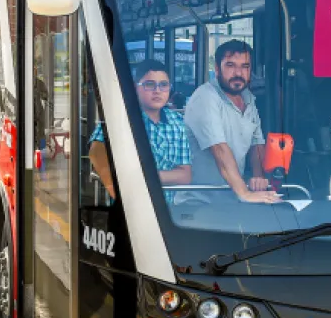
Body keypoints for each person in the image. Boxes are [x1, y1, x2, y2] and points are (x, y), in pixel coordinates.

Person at [184, 40, 280, 204]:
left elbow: (257, 145)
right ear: (217, 69)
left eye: (245, 66)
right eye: (230, 65)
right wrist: (245, 193)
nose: (238, 73)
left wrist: (259, 178)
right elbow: (219, 149)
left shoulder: (248, 98)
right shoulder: (205, 97)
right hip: (199, 202)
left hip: (231, 200)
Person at [88, 60, 191, 203]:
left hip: (165, 210)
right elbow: (97, 152)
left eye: (163, 85)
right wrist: (115, 190)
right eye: (149, 84)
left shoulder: (178, 122)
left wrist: (141, 177)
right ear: (136, 88)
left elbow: (184, 175)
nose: (157, 90)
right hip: (129, 207)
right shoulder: (121, 117)